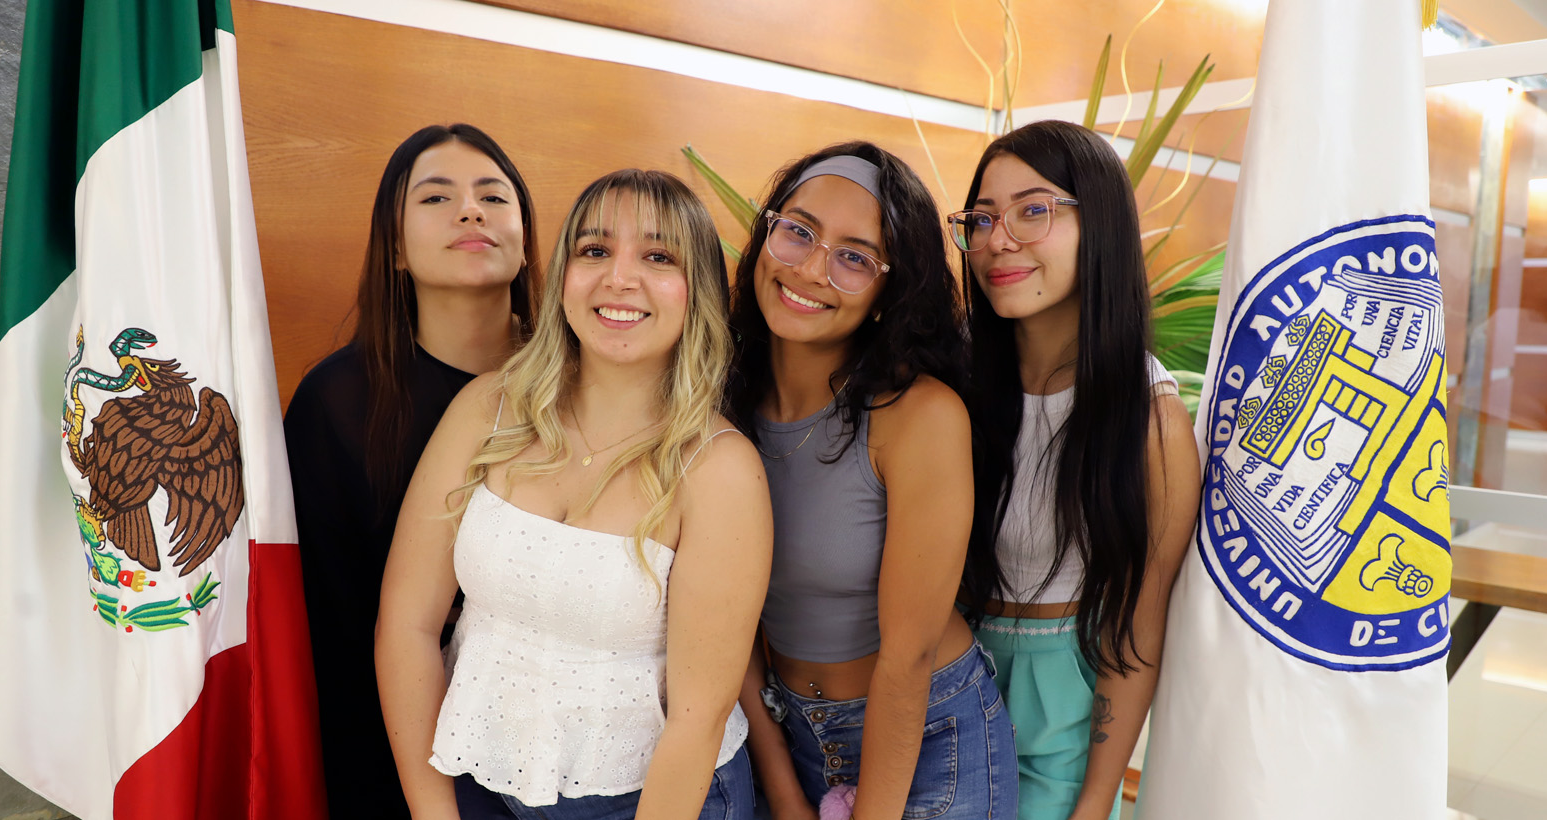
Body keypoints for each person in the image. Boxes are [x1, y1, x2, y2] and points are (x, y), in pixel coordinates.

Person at [376, 169, 772, 820]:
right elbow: (406, 624)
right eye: (595, 250)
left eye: (658, 256)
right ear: (563, 274)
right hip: (474, 773)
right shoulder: (486, 408)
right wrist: (434, 812)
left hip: (651, 800)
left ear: (696, 290)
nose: (620, 277)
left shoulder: (720, 469)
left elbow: (696, 722)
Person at [728, 143, 1016, 820]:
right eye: (798, 231)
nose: (811, 269)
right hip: (789, 733)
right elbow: (724, 626)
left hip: (931, 737)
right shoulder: (720, 401)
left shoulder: (918, 417)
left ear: (891, 295)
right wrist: (782, 789)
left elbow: (908, 658)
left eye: (854, 258)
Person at [284, 123, 535, 820]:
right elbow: (329, 627)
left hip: (563, 751)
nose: (471, 211)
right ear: (394, 248)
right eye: (436, 197)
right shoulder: (338, 401)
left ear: (525, 241)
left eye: (493, 196)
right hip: (395, 754)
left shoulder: (584, 380)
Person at [952, 120, 1201, 820]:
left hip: (1063, 709)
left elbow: (1137, 628)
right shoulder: (950, 385)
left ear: (1102, 227)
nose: (998, 240)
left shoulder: (1148, 420)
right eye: (982, 218)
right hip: (942, 682)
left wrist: (1094, 801)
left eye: (1033, 210)